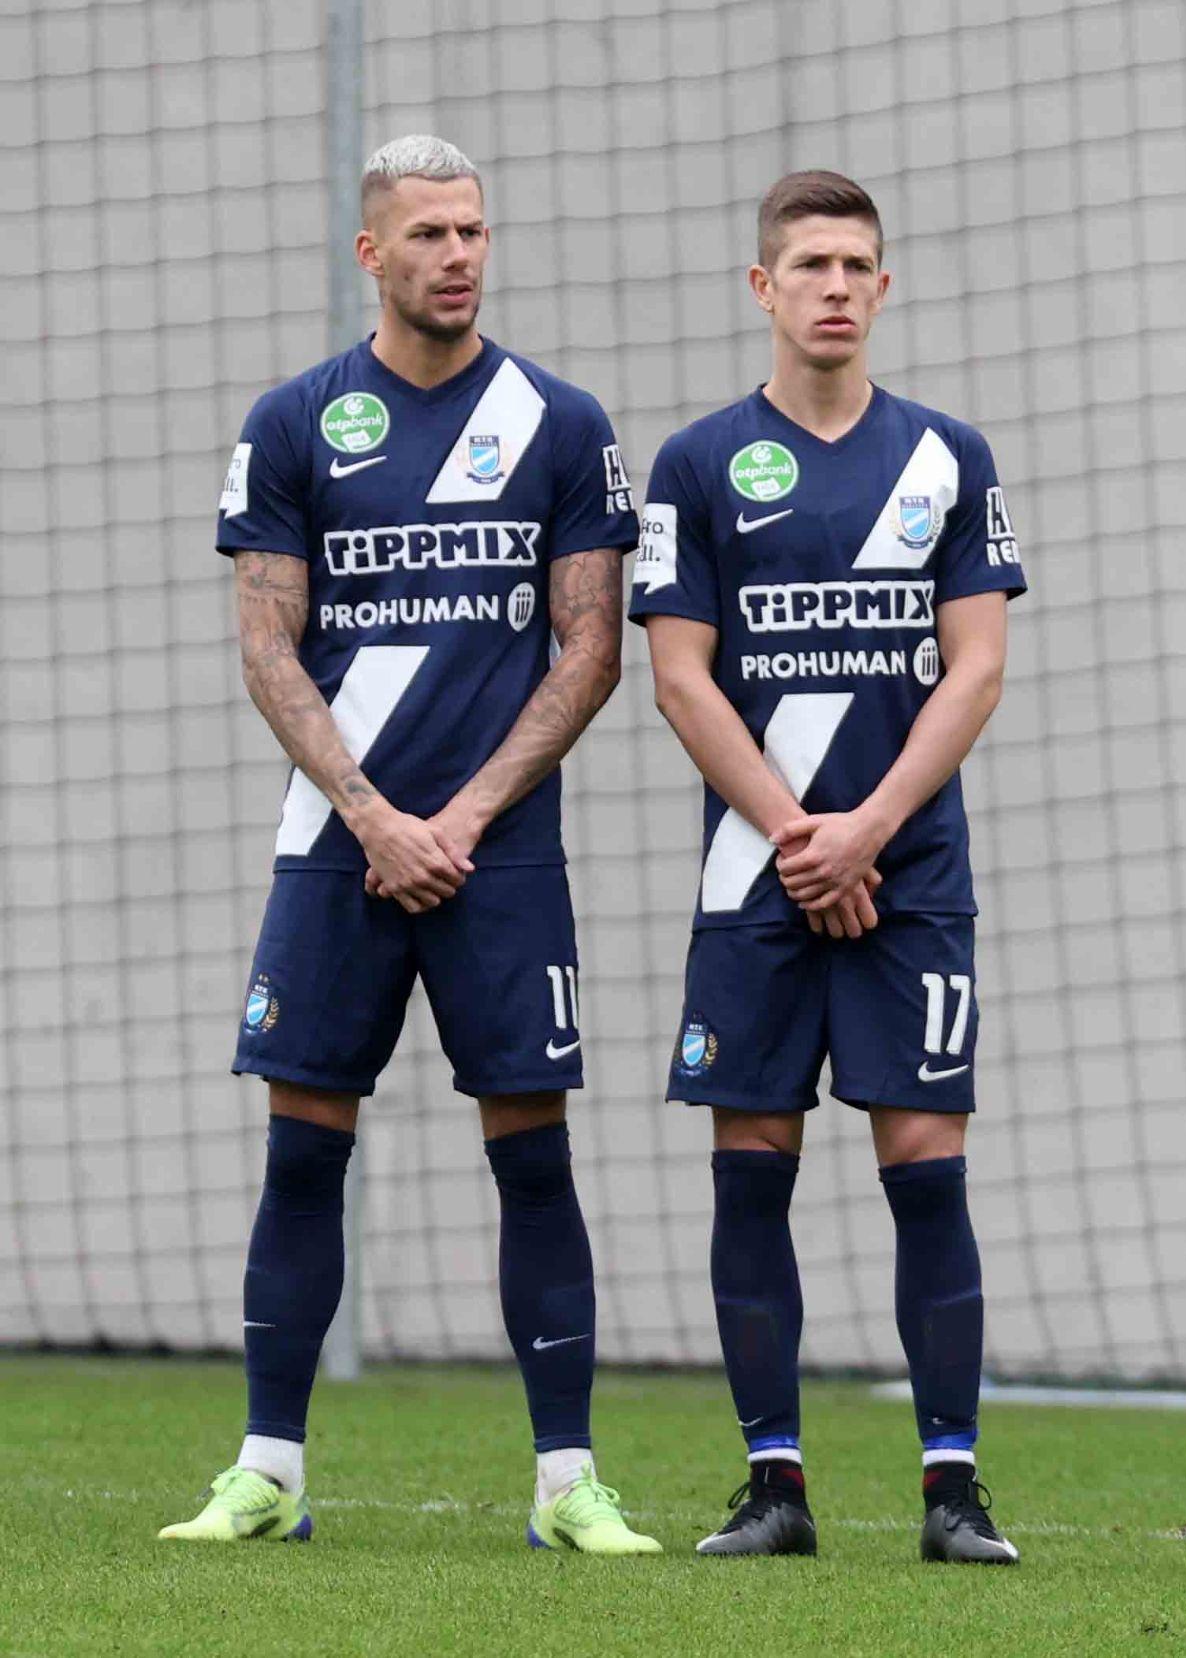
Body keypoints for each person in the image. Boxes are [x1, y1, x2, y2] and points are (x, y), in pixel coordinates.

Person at [159, 135, 659, 1556]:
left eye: (473, 230)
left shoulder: (561, 422)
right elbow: (267, 646)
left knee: (535, 1154)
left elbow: (590, 649)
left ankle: (567, 1484)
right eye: (429, 233)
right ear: (370, 252)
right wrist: (375, 815)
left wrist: (462, 818)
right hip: (339, 846)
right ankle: (269, 1472)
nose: (457, 255)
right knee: (302, 1150)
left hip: (500, 855)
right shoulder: (294, 422)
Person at [629, 170, 1025, 1563]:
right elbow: (680, 678)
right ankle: (774, 1486)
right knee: (753, 1162)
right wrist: (805, 839)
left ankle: (952, 1491)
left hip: (909, 878)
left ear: (885, 284)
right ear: (764, 287)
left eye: (858, 264)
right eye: (811, 265)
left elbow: (975, 669)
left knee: (925, 1158)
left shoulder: (949, 458)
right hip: (759, 880)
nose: (837, 287)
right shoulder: (694, 465)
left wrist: (866, 832)